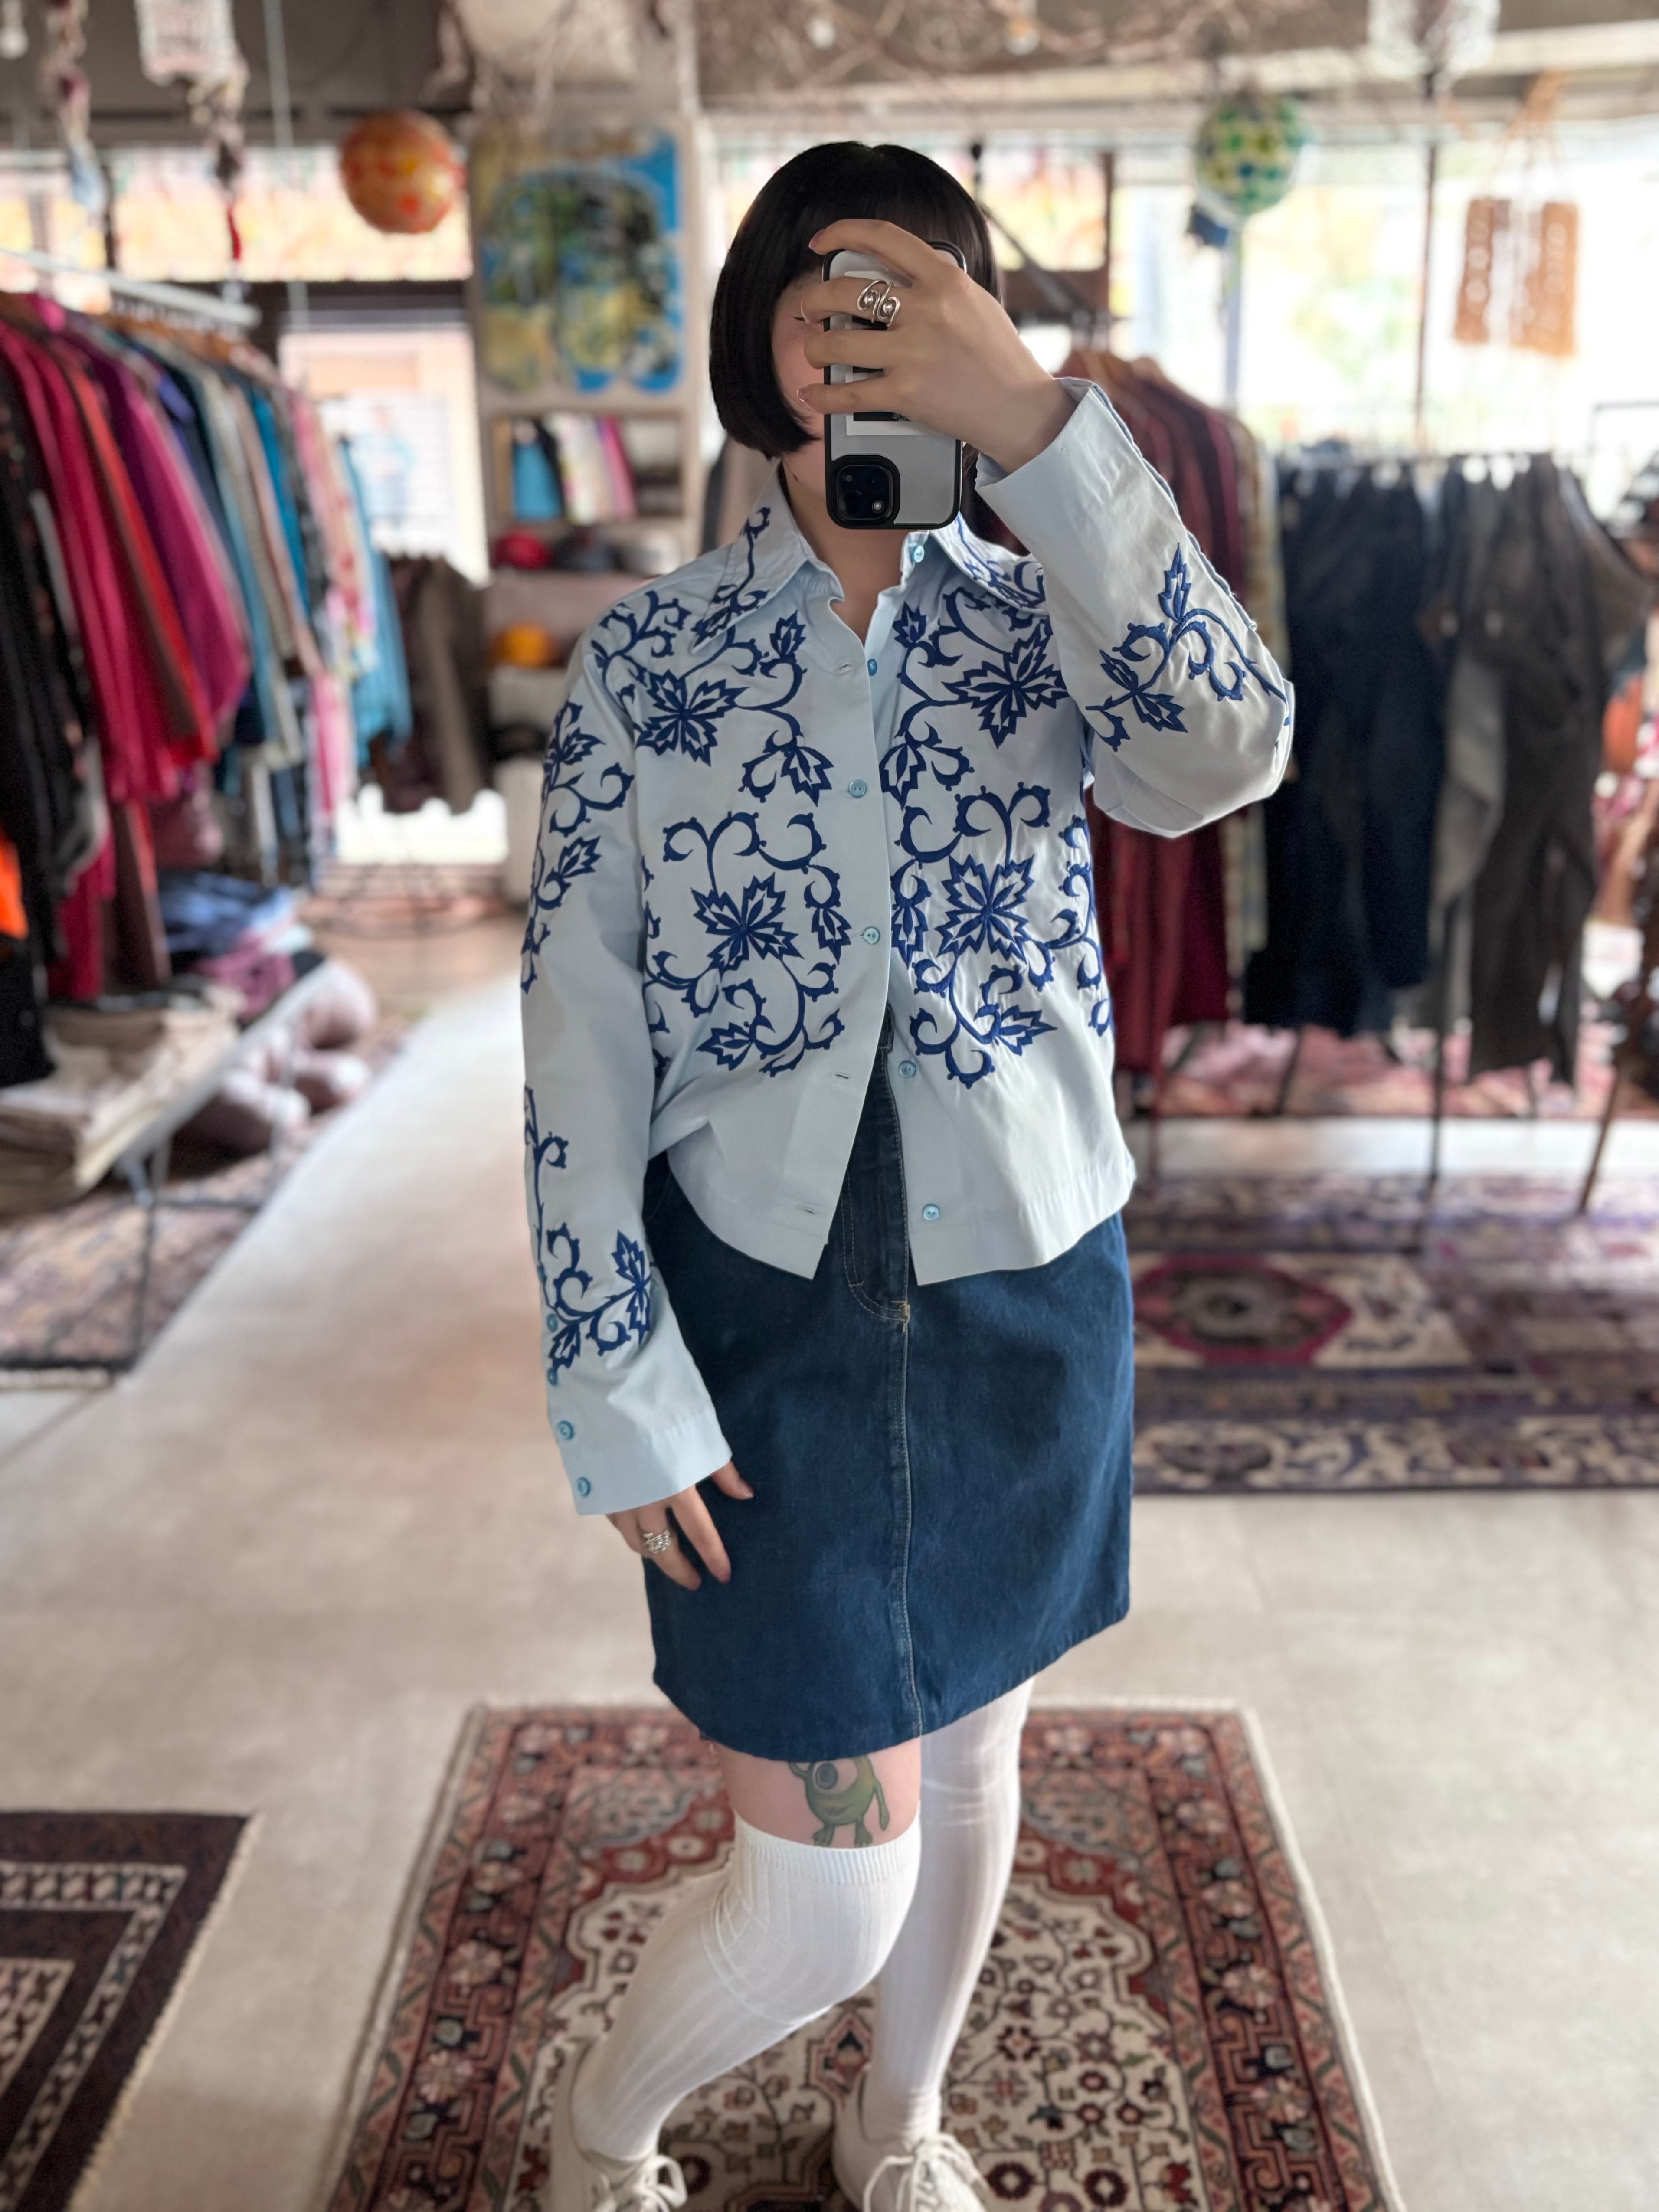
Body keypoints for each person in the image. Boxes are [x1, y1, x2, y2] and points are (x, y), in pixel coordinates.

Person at [522, 141, 1291, 2212]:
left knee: (972, 1751)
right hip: (753, 1299)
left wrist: (1045, 433)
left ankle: (898, 2119)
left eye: (918, 303)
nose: (868, 341)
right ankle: (602, 2138)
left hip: (1024, 1277)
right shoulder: (650, 663)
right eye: (828, 300)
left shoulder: (1056, 620)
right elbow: (578, 1037)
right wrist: (611, 1372)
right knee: (821, 1892)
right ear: (757, 344)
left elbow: (1229, 753)